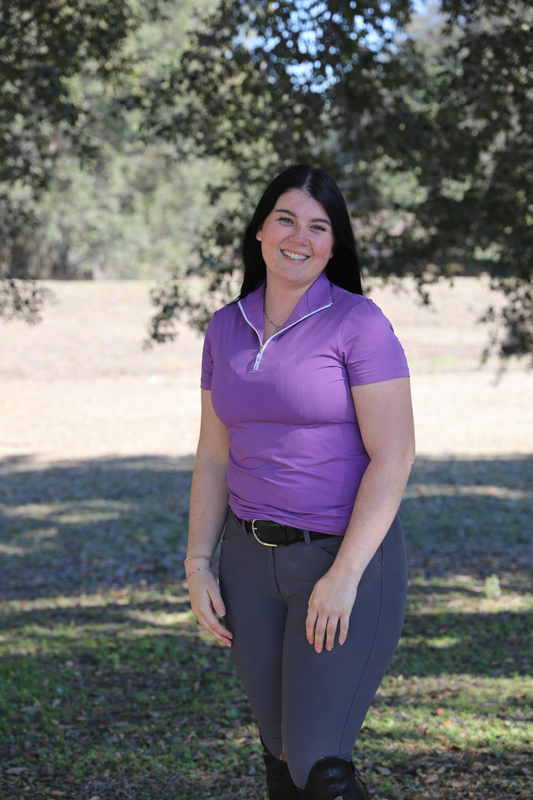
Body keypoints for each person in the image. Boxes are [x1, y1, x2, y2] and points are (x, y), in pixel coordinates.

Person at [184, 164, 415, 800]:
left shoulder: (358, 323)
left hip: (343, 559)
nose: (299, 236)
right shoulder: (225, 327)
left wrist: (343, 577)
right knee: (280, 756)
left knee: (320, 765)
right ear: (260, 229)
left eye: (318, 227)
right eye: (286, 218)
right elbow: (212, 455)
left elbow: (393, 457)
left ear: (333, 245)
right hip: (248, 568)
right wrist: (199, 561)